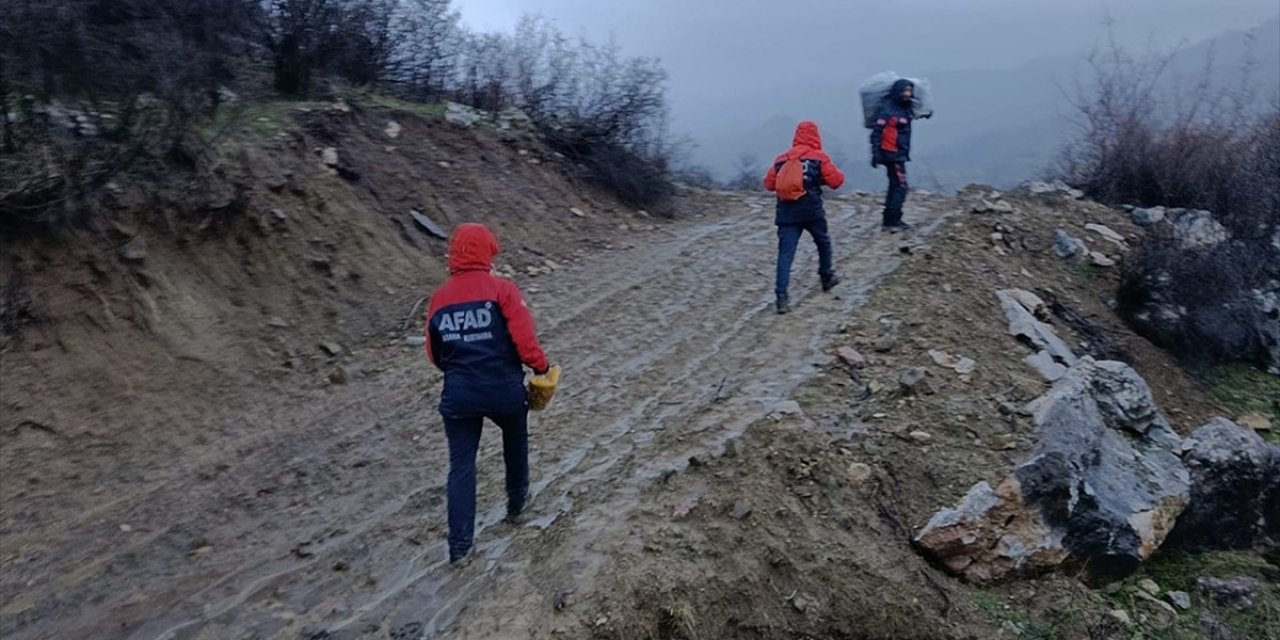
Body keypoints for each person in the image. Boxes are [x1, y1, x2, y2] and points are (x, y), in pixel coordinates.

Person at [425, 223, 551, 564]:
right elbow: (526, 345)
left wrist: (462, 370)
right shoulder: (503, 291)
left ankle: (460, 549)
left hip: (459, 396)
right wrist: (542, 368)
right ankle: (517, 505)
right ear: (486, 253)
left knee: (461, 468)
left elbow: (435, 356)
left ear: (454, 254)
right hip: (504, 392)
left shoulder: (439, 299)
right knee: (515, 441)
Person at [762, 121, 846, 315]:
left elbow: (768, 184)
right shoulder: (819, 157)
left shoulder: (781, 159)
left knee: (786, 254)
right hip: (811, 211)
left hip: (786, 214)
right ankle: (826, 277)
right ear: (816, 136)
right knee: (823, 242)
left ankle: (781, 297)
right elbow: (836, 182)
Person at [870, 78, 916, 232]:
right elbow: (877, 132)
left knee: (894, 185)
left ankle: (889, 218)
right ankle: (893, 219)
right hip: (893, 154)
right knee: (901, 187)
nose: (907, 94)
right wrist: (876, 153)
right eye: (904, 91)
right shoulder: (888, 110)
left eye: (909, 90)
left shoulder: (903, 108)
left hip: (896, 153)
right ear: (897, 92)